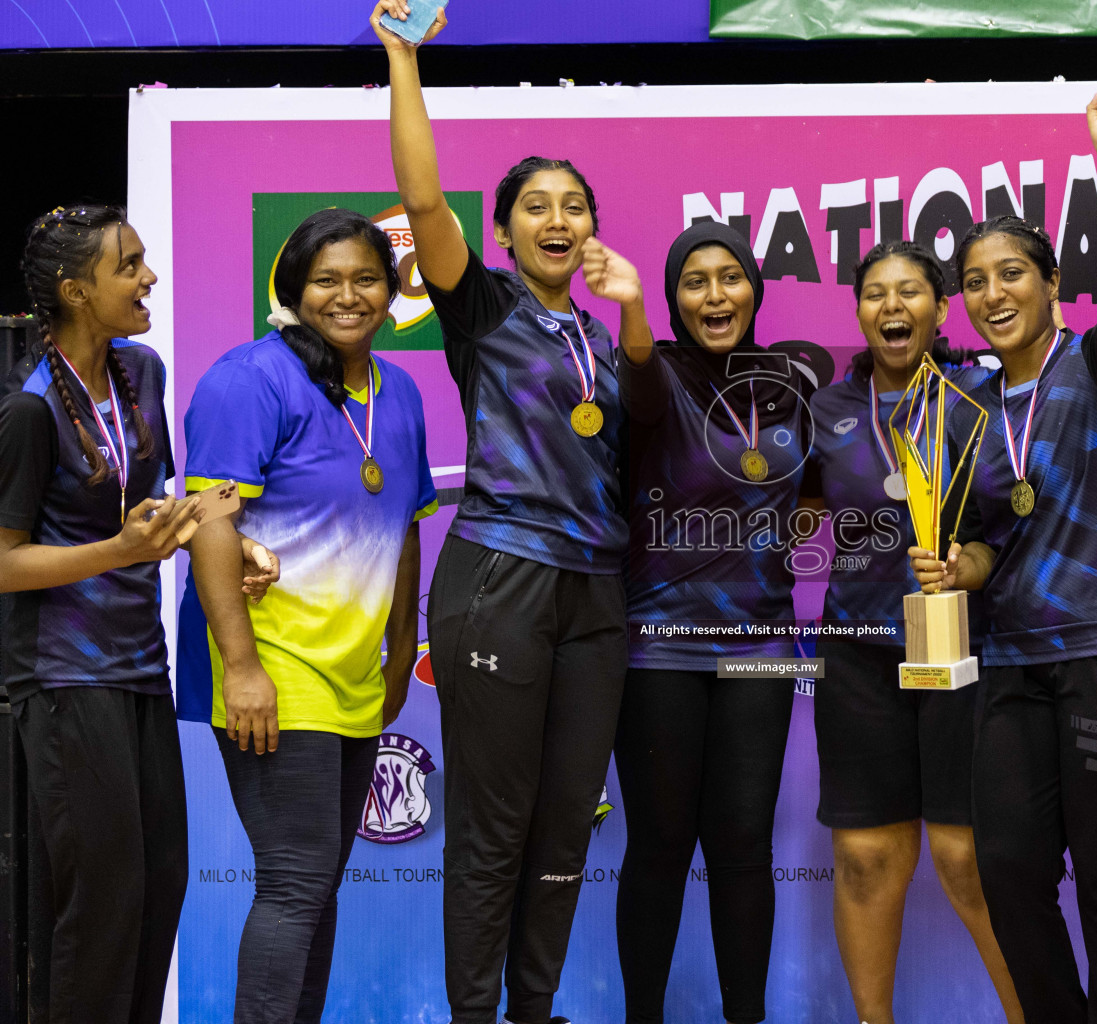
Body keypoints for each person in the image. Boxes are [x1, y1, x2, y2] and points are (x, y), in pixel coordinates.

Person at [373, 4, 653, 1022]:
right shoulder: (483, 310)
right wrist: (404, 59)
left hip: (597, 592)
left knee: (564, 827)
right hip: (498, 577)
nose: (557, 219)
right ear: (504, 229)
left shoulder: (611, 326)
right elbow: (420, 194)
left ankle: (531, 1010)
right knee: (493, 828)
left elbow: (640, 427)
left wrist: (632, 314)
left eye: (573, 204)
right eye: (536, 205)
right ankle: (474, 1015)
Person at [911, 95, 1097, 1024]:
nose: (993, 295)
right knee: (1011, 871)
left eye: (1012, 273)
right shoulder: (968, 406)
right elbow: (993, 535)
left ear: (1051, 280)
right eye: (977, 281)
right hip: (1017, 661)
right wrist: (960, 572)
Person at [178, 207, 436, 1024]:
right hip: (272, 663)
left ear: (393, 293)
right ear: (291, 290)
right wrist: (243, 667)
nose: (348, 296)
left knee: (317, 880)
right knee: (295, 878)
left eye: (367, 278)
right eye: (326, 280)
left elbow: (401, 530)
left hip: (358, 671)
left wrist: (401, 651)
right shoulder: (246, 379)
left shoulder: (398, 393)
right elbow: (210, 522)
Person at [797, 240, 1020, 1024]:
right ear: (859, 312)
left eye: (912, 293)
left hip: (966, 649)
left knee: (969, 860)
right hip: (857, 655)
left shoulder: (981, 401)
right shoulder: (825, 411)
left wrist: (970, 568)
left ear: (940, 306)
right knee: (863, 858)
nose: (893, 308)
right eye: (876, 295)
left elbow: (1010, 534)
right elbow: (794, 513)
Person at [0, 204, 202, 1024]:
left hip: (139, 667)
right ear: (75, 290)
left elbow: (151, 503)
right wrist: (117, 554)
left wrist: (213, 536)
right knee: (104, 899)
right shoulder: (28, 410)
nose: (148, 276)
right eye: (130, 265)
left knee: (161, 884)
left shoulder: (141, 372)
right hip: (61, 674)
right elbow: (6, 562)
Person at [614, 220, 813, 1024]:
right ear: (673, 300)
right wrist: (628, 309)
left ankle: (745, 1017)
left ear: (754, 289)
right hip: (658, 647)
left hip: (762, 648)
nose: (714, 294)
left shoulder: (792, 383)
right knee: (659, 850)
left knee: (742, 851)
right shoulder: (653, 374)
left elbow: (822, 485)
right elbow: (635, 376)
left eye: (729, 277)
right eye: (694, 281)